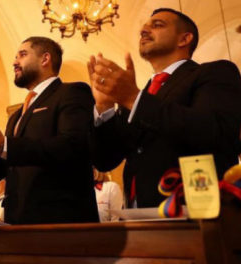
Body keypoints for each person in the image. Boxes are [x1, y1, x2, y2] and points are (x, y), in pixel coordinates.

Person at [88, 8, 241, 208]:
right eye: (143, 28)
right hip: (138, 214)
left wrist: (133, 97)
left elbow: (213, 131)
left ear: (184, 39)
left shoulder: (215, 72)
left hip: (193, 209)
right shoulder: (141, 96)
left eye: (157, 25)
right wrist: (104, 106)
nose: (144, 30)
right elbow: (105, 160)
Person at [0, 36, 99, 224]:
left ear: (45, 59)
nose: (14, 62)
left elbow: (71, 146)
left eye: (22, 55)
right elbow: (7, 171)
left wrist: (3, 144)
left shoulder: (71, 92)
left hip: (60, 219)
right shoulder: (16, 116)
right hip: (18, 219)